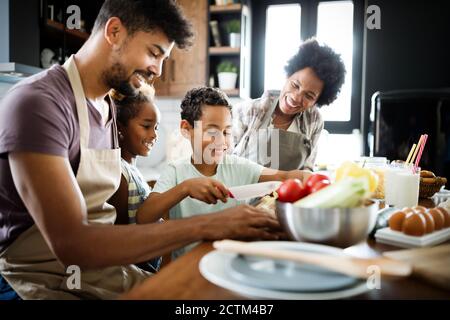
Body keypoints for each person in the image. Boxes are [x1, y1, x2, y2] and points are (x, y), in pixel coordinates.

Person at [0, 0, 280, 300]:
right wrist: (210, 225)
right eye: (154, 52)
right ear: (115, 32)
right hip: (39, 281)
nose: (158, 70)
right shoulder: (39, 103)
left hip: (100, 272)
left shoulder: (105, 107)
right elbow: (73, 243)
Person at [142, 87, 309, 256]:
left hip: (231, 261)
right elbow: (144, 217)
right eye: (212, 131)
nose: (222, 141)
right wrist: (185, 188)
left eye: (226, 132)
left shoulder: (239, 167)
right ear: (186, 128)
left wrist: (318, 181)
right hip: (188, 266)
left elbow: (286, 176)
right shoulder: (176, 171)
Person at [233, 38, 346, 171]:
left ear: (317, 101)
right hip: (244, 191)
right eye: (295, 85)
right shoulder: (247, 111)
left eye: (309, 96)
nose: (296, 97)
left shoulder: (314, 120)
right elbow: (224, 165)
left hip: (290, 191)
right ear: (288, 75)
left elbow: (307, 169)